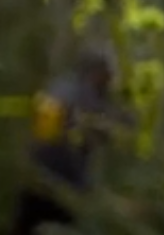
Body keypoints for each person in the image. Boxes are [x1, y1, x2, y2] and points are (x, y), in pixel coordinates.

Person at [11, 47, 121, 235]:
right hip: (64, 181)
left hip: (38, 175)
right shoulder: (86, 94)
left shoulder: (60, 86)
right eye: (107, 73)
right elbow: (96, 132)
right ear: (97, 71)